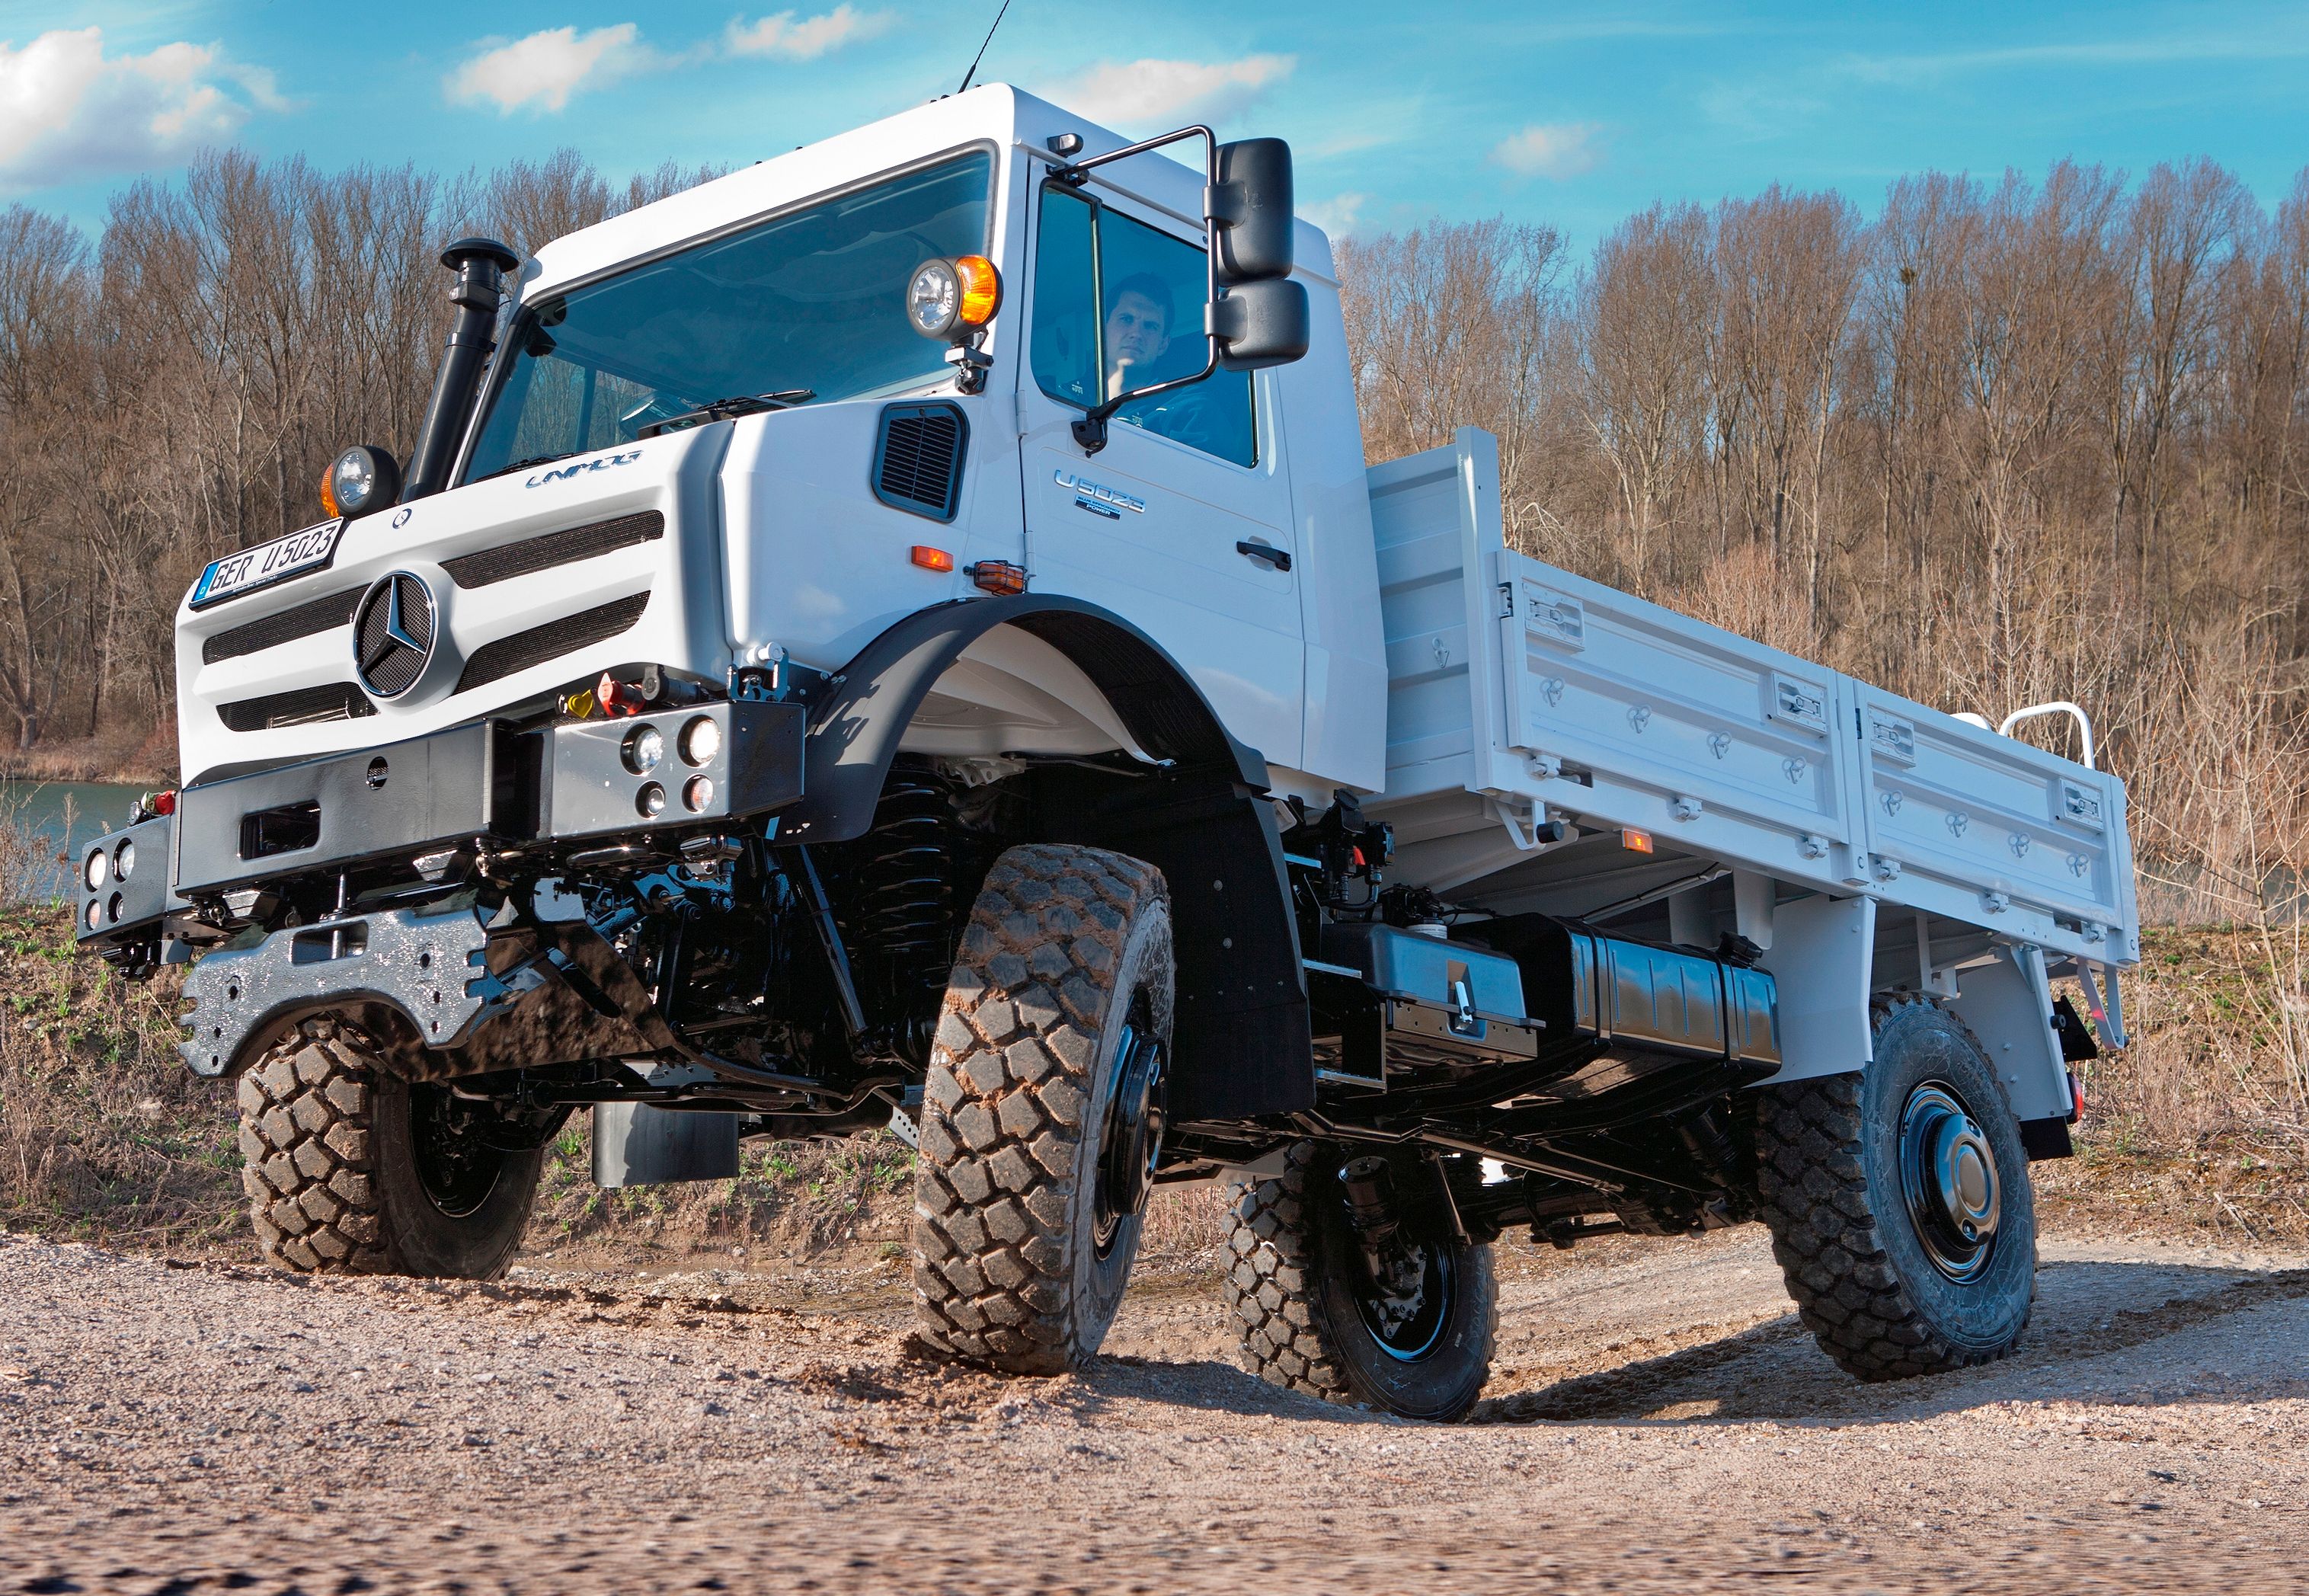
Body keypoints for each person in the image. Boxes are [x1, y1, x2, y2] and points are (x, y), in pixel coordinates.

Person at [1103, 273, 1175, 401]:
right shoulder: (1063, 396)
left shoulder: (1188, 412)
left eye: (1150, 326)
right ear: (1102, 329)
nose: (1136, 334)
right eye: (1126, 319)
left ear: (1163, 344)